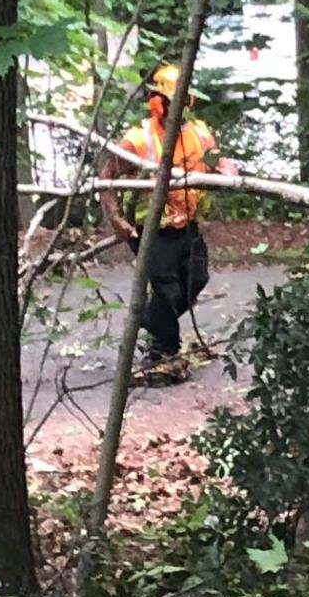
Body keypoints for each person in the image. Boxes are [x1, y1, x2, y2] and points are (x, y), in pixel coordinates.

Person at [98, 64, 236, 384]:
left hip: (187, 224)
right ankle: (163, 352)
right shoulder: (138, 138)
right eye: (168, 100)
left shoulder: (199, 132)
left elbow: (218, 161)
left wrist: (228, 169)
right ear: (155, 101)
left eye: (181, 100)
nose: (175, 107)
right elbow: (106, 177)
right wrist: (115, 218)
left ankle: (146, 320)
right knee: (166, 289)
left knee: (196, 280)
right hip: (151, 228)